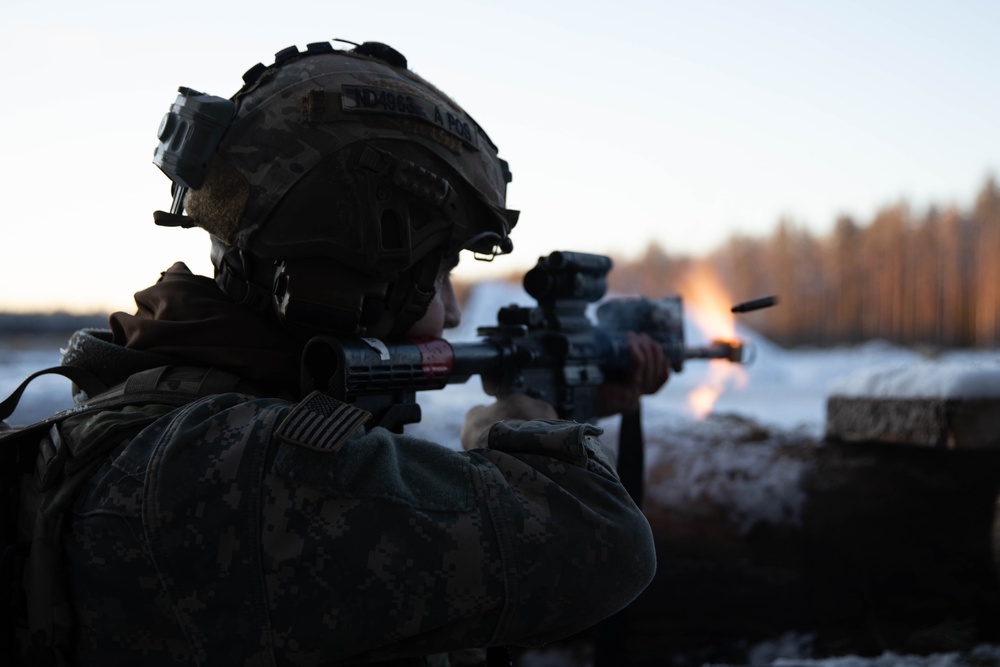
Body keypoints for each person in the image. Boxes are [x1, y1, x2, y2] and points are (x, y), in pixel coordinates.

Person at [10, 39, 668, 666]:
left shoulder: (169, 416)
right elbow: (604, 542)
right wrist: (521, 411)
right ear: (356, 278)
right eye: (436, 275)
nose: (455, 310)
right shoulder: (236, 469)